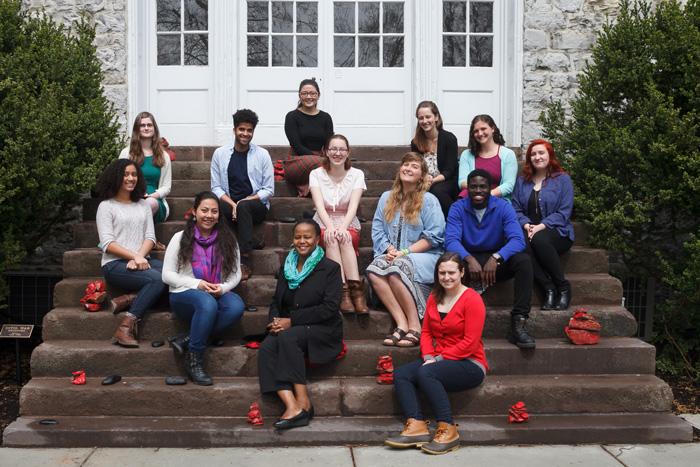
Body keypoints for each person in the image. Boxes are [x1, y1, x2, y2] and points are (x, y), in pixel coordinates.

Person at [385, 252, 487, 455]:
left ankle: (448, 429)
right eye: (442, 273)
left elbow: (470, 342)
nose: (446, 277)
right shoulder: (434, 296)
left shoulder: (472, 299)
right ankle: (416, 426)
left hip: (469, 363)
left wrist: (437, 360)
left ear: (462, 273)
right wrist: (429, 356)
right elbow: (426, 332)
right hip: (438, 360)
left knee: (426, 373)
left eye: (451, 273)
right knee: (402, 374)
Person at [257, 219, 343, 430]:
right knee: (268, 346)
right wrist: (274, 322)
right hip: (291, 326)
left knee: (287, 337)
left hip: (322, 328)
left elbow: (329, 309)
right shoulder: (288, 265)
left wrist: (291, 321)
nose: (302, 241)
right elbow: (277, 301)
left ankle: (304, 401)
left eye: (307, 237)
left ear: (317, 239)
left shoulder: (330, 268)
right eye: (298, 237)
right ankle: (292, 404)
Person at [162, 191, 245, 385]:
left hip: (215, 290)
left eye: (214, 211)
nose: (209, 215)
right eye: (204, 210)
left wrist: (223, 289)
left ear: (219, 215)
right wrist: (196, 284)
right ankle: (194, 359)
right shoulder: (180, 237)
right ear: (194, 212)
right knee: (207, 303)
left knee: (236, 307)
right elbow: (167, 275)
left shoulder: (228, 239)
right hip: (184, 294)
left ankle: (188, 338)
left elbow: (235, 274)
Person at [445, 169, 536, 349]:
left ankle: (519, 322)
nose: (478, 191)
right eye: (473, 187)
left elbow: (518, 240)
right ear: (467, 189)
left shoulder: (503, 206)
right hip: (468, 260)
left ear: (490, 188)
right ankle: (448, 322)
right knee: (445, 261)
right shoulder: (458, 207)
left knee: (524, 261)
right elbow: (451, 241)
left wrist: (497, 257)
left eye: (482, 187)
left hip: (495, 259)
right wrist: (468, 259)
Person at [367, 153, 445, 347]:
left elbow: (434, 236)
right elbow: (377, 229)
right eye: (406, 165)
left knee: (396, 270)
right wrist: (388, 248)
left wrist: (405, 252)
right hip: (393, 253)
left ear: (421, 176)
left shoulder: (429, 200)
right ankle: (400, 323)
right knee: (374, 269)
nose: (408, 168)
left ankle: (415, 326)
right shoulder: (386, 197)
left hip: (425, 256)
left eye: (414, 166)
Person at [95, 159, 166, 348]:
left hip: (141, 260)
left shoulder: (143, 205)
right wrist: (134, 256)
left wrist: (140, 256)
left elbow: (150, 237)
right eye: (126, 174)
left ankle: (130, 298)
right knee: (157, 280)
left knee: (173, 275)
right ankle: (125, 327)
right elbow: (107, 243)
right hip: (114, 264)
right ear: (117, 177)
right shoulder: (106, 206)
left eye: (134, 174)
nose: (131, 178)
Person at [210, 108, 274, 281]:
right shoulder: (220, 154)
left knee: (244, 206)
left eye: (249, 130)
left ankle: (245, 260)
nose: (245, 134)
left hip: (255, 206)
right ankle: (250, 241)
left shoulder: (262, 155)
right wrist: (233, 205)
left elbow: (268, 190)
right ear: (234, 130)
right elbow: (216, 187)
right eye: (241, 129)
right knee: (214, 204)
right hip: (230, 204)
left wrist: (243, 202)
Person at [512, 139, 575, 310]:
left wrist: (540, 226)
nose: (537, 157)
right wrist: (526, 225)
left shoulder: (563, 180)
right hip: (529, 230)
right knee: (520, 244)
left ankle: (562, 286)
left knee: (538, 239)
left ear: (550, 155)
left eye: (541, 153)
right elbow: (516, 209)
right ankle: (548, 288)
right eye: (533, 154)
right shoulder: (522, 182)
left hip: (557, 231)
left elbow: (564, 212)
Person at [309, 134, 368, 314]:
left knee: (345, 236)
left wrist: (342, 227)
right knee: (331, 238)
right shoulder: (316, 174)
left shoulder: (357, 174)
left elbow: (353, 206)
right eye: (333, 149)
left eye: (342, 149)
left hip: (348, 220)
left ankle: (357, 292)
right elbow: (319, 206)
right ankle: (343, 293)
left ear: (348, 152)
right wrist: (330, 227)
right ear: (326, 152)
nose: (337, 153)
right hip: (323, 219)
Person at [118, 112, 172, 229]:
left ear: (154, 128)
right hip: (130, 197)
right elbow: (119, 180)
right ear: (137, 129)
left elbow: (167, 187)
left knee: (148, 204)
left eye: (149, 125)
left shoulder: (163, 156)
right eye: (142, 125)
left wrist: (152, 196)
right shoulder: (126, 153)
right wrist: (136, 195)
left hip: (154, 201)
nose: (146, 128)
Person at [283, 78, 334, 196]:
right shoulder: (292, 117)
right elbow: (297, 145)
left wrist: (327, 157)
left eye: (312, 93)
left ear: (318, 95)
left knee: (334, 162)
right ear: (299, 96)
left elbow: (329, 144)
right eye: (304, 93)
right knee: (327, 165)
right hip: (297, 161)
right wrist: (322, 160)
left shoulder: (326, 118)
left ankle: (316, 192)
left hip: (321, 161)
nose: (309, 96)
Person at [410, 101, 459, 218]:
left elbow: (449, 169)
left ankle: (456, 219)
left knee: (436, 191)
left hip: (446, 180)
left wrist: (432, 181)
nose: (424, 121)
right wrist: (424, 178)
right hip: (424, 180)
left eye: (428, 117)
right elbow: (416, 165)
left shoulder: (449, 138)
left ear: (436, 117)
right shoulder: (416, 142)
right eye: (421, 118)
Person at [457, 115, 517, 201]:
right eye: (476, 131)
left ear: (493, 128)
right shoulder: (466, 155)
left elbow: (509, 185)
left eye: (483, 129)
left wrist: (486, 195)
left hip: (497, 199)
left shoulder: (508, 154)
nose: (480, 133)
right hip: (470, 198)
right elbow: (462, 182)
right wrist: (477, 192)